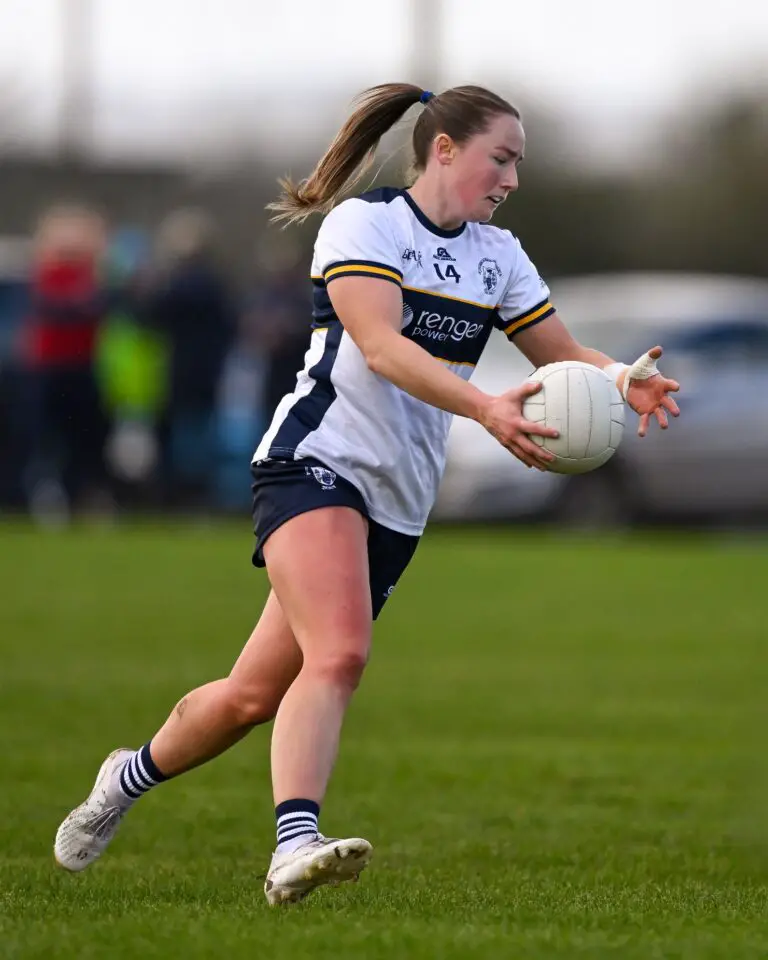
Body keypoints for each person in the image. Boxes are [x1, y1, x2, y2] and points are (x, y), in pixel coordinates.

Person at [53, 83, 680, 904]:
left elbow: (556, 353)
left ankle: (124, 778)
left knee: (249, 697)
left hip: (397, 498)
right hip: (314, 459)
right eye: (504, 157)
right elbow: (380, 346)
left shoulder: (499, 255)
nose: (513, 178)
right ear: (445, 149)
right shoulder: (365, 225)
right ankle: (293, 843)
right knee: (341, 653)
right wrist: (485, 407)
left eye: (519, 162)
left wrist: (618, 378)